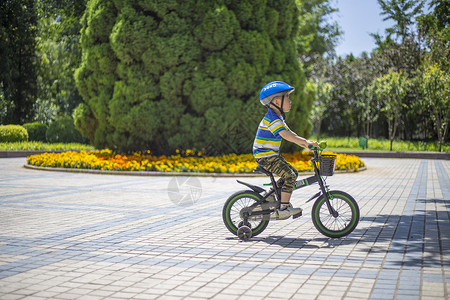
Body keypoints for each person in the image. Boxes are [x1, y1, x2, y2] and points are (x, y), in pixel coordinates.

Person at [253, 81, 318, 220]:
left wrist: (306, 144)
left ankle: (271, 196)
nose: (290, 101)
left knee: (293, 173)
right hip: (265, 156)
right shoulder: (272, 118)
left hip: (270, 156)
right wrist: (304, 142)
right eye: (287, 97)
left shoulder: (278, 118)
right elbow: (285, 135)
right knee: (289, 176)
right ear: (276, 101)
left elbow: (291, 134)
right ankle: (283, 207)